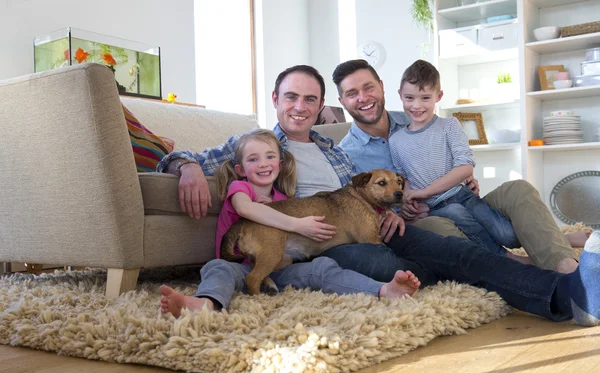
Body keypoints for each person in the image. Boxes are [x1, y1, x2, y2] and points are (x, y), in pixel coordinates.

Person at [157, 64, 600, 327]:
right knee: (422, 260)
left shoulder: (338, 150)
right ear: (275, 99)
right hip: (328, 246)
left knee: (455, 255)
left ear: (321, 105)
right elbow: (179, 156)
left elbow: (375, 194)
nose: (300, 106)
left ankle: (569, 293)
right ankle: (477, 272)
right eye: (291, 96)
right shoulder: (259, 146)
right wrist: (188, 166)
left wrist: (396, 213)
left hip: (381, 228)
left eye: (310, 99)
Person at [333, 59, 586, 274]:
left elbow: (457, 160)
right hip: (424, 220)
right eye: (352, 93)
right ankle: (521, 262)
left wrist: (466, 176)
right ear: (342, 100)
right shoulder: (345, 154)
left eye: (368, 88)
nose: (363, 98)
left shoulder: (414, 116)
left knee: (518, 190)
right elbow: (354, 206)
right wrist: (398, 210)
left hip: (461, 196)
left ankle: (565, 266)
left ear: (383, 87)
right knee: (440, 226)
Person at [159, 128, 420, 316]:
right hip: (240, 263)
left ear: (281, 164)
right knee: (218, 268)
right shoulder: (240, 188)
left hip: (285, 268)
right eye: (253, 159)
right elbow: (245, 210)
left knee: (325, 270)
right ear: (239, 168)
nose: (263, 164)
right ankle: (204, 303)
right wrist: (188, 166)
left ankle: (383, 290)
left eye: (270, 157)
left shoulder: (284, 197)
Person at [384, 59, 528, 263]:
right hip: (436, 208)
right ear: (400, 95)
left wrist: (423, 192)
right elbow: (404, 178)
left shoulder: (449, 125)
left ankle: (550, 240)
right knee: (456, 214)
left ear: (438, 96)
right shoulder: (396, 140)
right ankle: (507, 259)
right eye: (409, 98)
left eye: (425, 98)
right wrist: (408, 199)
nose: (416, 105)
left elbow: (465, 166)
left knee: (508, 235)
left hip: (462, 195)